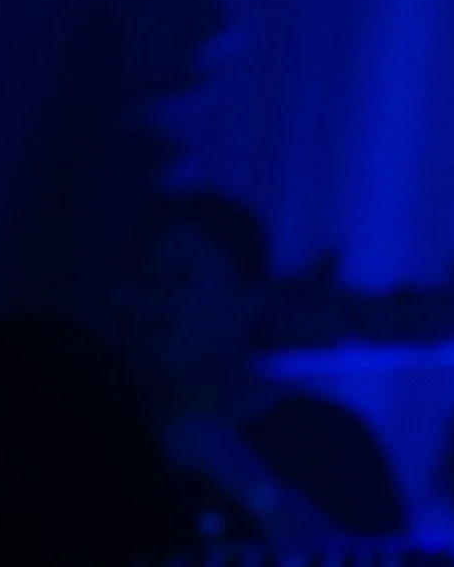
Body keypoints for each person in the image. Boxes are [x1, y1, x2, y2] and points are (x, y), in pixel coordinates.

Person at [116, 191, 407, 545]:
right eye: (146, 280)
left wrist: (249, 482)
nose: (158, 302)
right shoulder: (104, 437)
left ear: (251, 295)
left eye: (183, 277)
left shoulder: (331, 441)